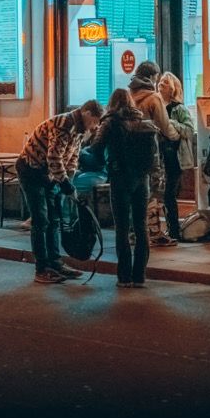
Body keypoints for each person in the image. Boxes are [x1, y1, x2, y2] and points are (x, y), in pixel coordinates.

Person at [18, 100, 103, 284]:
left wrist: (68, 182)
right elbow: (54, 157)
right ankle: (41, 268)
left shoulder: (80, 131)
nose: (95, 126)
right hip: (32, 170)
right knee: (41, 220)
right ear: (86, 113)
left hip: (50, 175)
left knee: (54, 218)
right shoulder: (65, 125)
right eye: (94, 121)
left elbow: (72, 157)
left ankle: (55, 262)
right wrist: (64, 182)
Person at [90, 89, 159, 287]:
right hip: (141, 179)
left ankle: (124, 276)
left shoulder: (110, 122)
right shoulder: (143, 122)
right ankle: (139, 276)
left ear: (112, 102)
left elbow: (96, 148)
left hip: (120, 178)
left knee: (121, 227)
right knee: (140, 225)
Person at [128, 61, 180, 247]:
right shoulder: (154, 99)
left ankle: (135, 231)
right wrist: (176, 137)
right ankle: (154, 231)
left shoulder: (128, 96)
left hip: (130, 154)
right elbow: (165, 127)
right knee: (155, 192)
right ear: (151, 77)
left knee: (135, 193)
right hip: (151, 152)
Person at [157, 72, 196, 243]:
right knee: (161, 195)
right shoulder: (155, 105)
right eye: (160, 81)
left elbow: (188, 130)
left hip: (175, 157)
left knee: (169, 194)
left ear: (173, 87)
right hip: (158, 157)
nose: (161, 84)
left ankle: (174, 229)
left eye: (165, 82)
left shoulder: (179, 109)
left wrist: (171, 123)